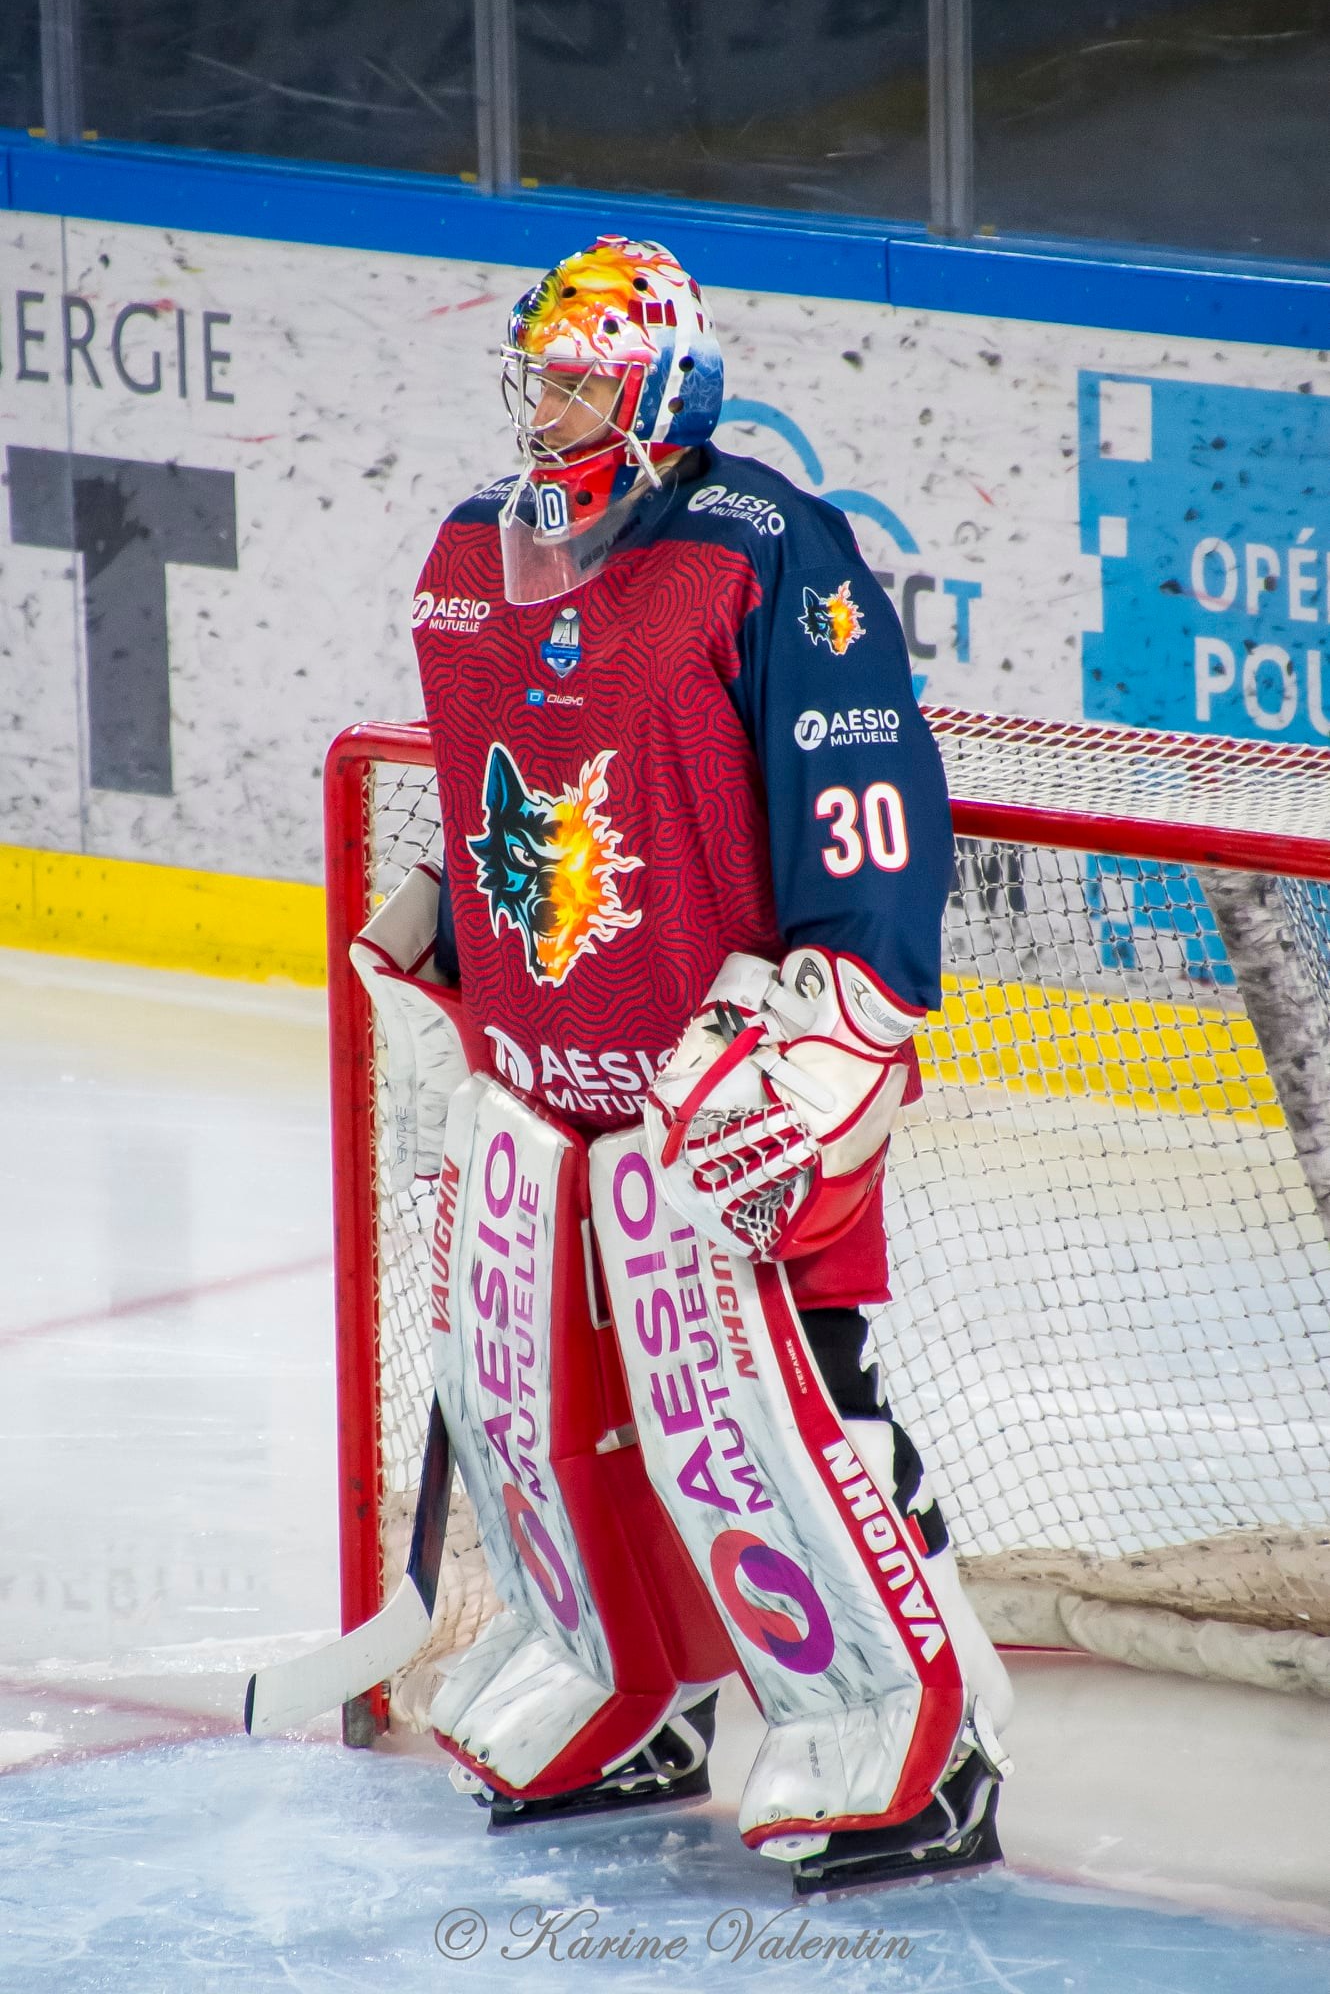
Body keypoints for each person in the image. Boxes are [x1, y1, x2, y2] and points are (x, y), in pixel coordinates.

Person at [362, 235, 1012, 1893]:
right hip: (548, 1073)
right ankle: (624, 1689)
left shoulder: (766, 547)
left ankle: (921, 1747)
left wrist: (850, 1018)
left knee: (796, 1425)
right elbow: (517, 771)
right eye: (536, 375)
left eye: (577, 375)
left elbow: (866, 795)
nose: (546, 407)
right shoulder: (468, 550)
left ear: (658, 382)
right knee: (526, 1410)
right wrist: (454, 896)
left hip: (721, 1096)